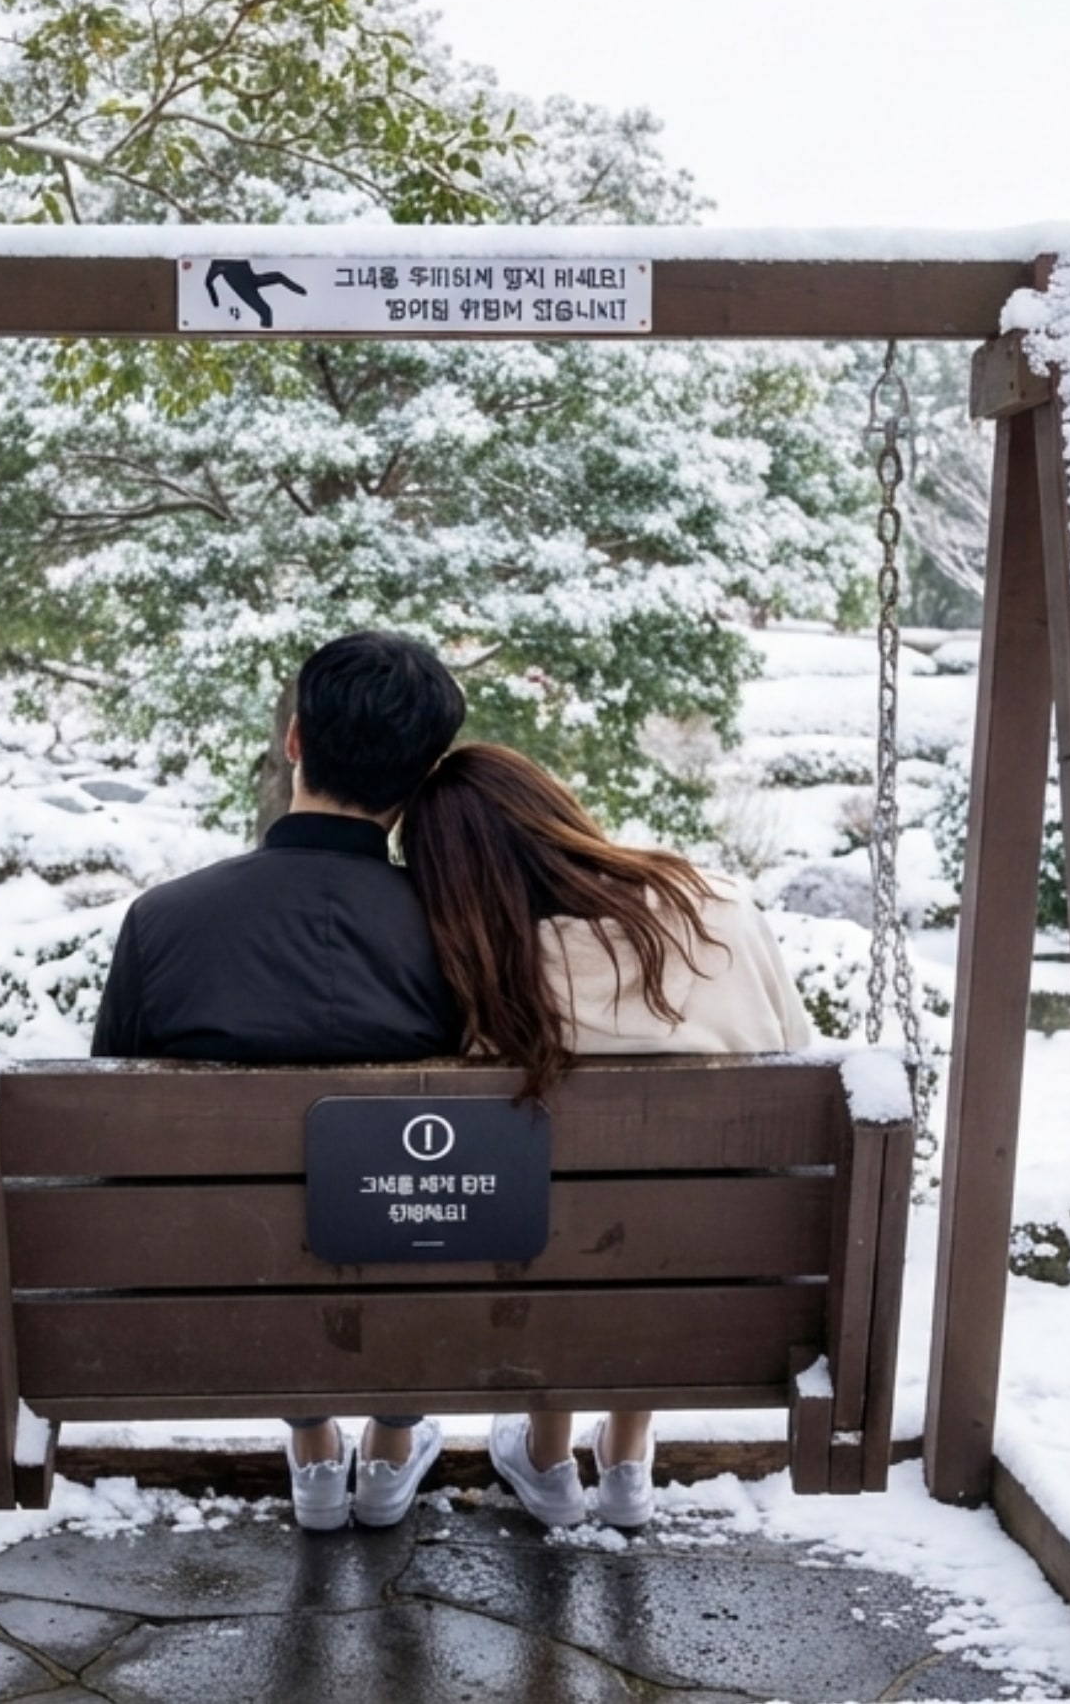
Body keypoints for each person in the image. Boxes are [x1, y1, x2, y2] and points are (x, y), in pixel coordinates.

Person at [91, 631, 464, 1532]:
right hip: (424, 1285)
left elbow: (110, 1140)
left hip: (223, 1292)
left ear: (295, 741)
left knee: (262, 1220)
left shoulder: (165, 921)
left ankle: (310, 1443)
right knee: (429, 1197)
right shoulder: (462, 931)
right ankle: (389, 1439)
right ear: (427, 775)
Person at [399, 742, 814, 1530]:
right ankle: (626, 1454)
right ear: (555, 810)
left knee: (550, 1209)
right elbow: (798, 1062)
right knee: (674, 1212)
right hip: (732, 1284)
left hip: (545, 1284)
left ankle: (547, 1455)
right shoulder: (715, 908)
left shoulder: (490, 977)